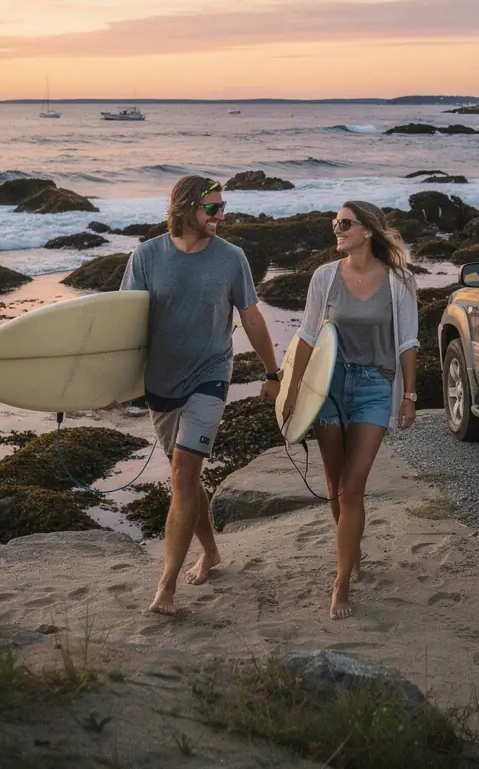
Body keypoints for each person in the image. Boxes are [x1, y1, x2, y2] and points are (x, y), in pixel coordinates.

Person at [121, 175, 282, 616]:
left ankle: (166, 585)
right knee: (185, 478)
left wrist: (273, 373)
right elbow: (125, 326)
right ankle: (210, 552)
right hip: (161, 382)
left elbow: (250, 317)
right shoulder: (147, 256)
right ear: (187, 208)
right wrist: (110, 385)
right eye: (212, 208)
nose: (221, 215)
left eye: (222, 206)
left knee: (183, 470)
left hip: (211, 374)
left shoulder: (232, 258)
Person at [281, 201, 419, 620]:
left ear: (369, 231)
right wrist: (290, 393)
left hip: (376, 385)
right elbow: (307, 335)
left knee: (354, 485)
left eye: (344, 223)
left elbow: (409, 342)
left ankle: (340, 584)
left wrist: (410, 396)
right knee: (334, 484)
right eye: (334, 223)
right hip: (330, 386)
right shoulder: (325, 277)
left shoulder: (400, 281)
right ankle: (351, 550)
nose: (336, 229)